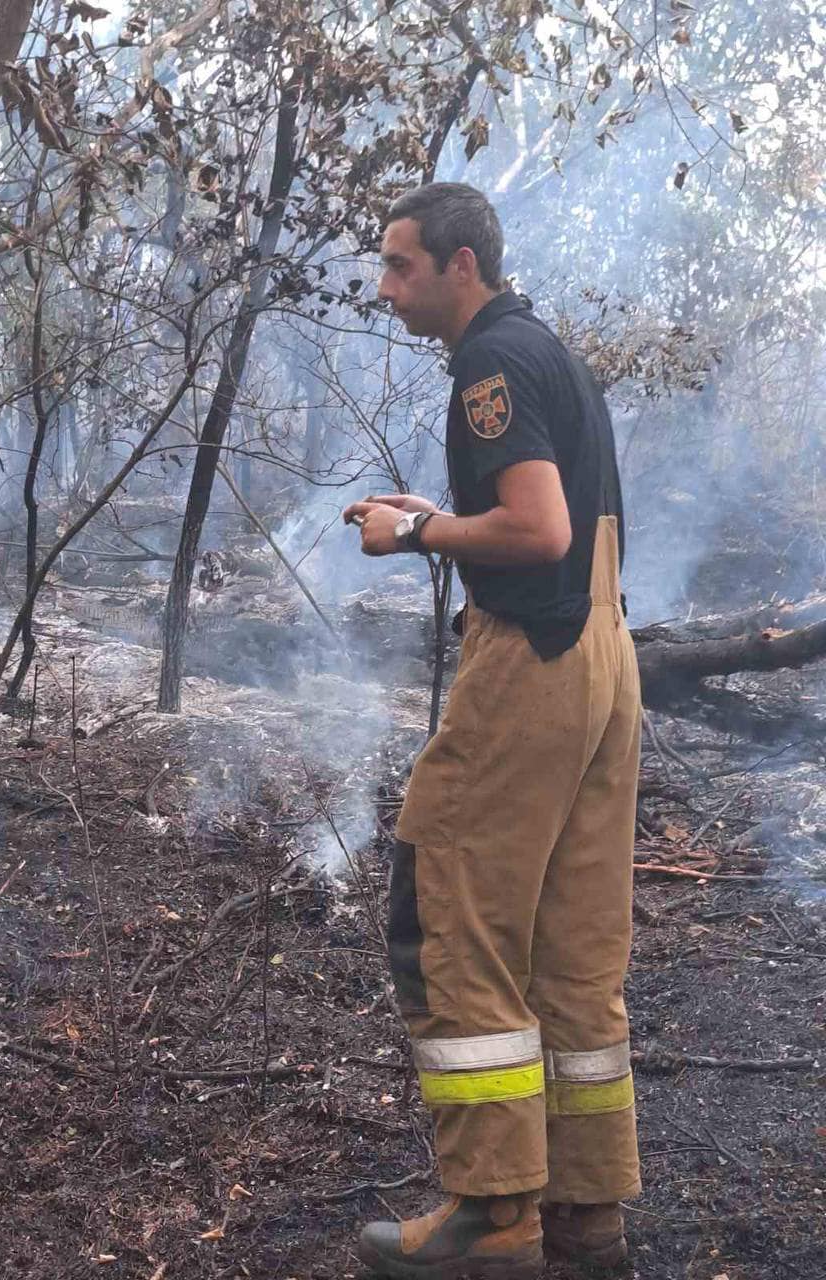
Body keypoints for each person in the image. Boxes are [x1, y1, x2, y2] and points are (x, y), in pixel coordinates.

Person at [342, 183, 641, 1280]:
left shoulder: (488, 365)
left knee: (449, 908)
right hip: (603, 654)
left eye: (400, 265)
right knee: (573, 947)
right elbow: (555, 525)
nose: (385, 288)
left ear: (459, 265)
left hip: (531, 665)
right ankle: (585, 1214)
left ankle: (494, 1211)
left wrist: (414, 535)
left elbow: (537, 528)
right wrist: (436, 515)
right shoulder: (545, 349)